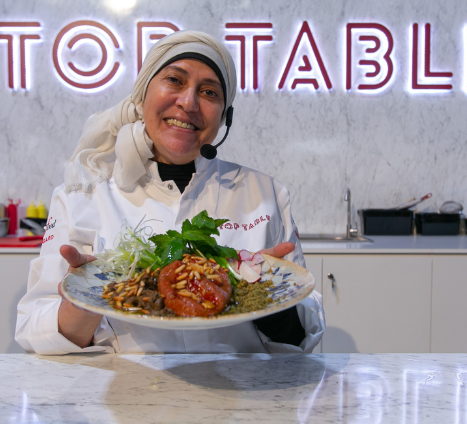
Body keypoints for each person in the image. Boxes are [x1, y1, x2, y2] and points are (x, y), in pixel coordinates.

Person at [16, 30, 325, 355]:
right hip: (127, 383)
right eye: (174, 80)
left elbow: (306, 331)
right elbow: (34, 330)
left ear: (225, 116)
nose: (189, 102)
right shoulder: (82, 195)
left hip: (239, 382)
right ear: (142, 95)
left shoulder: (264, 193)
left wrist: (270, 297)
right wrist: (86, 299)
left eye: (209, 92)